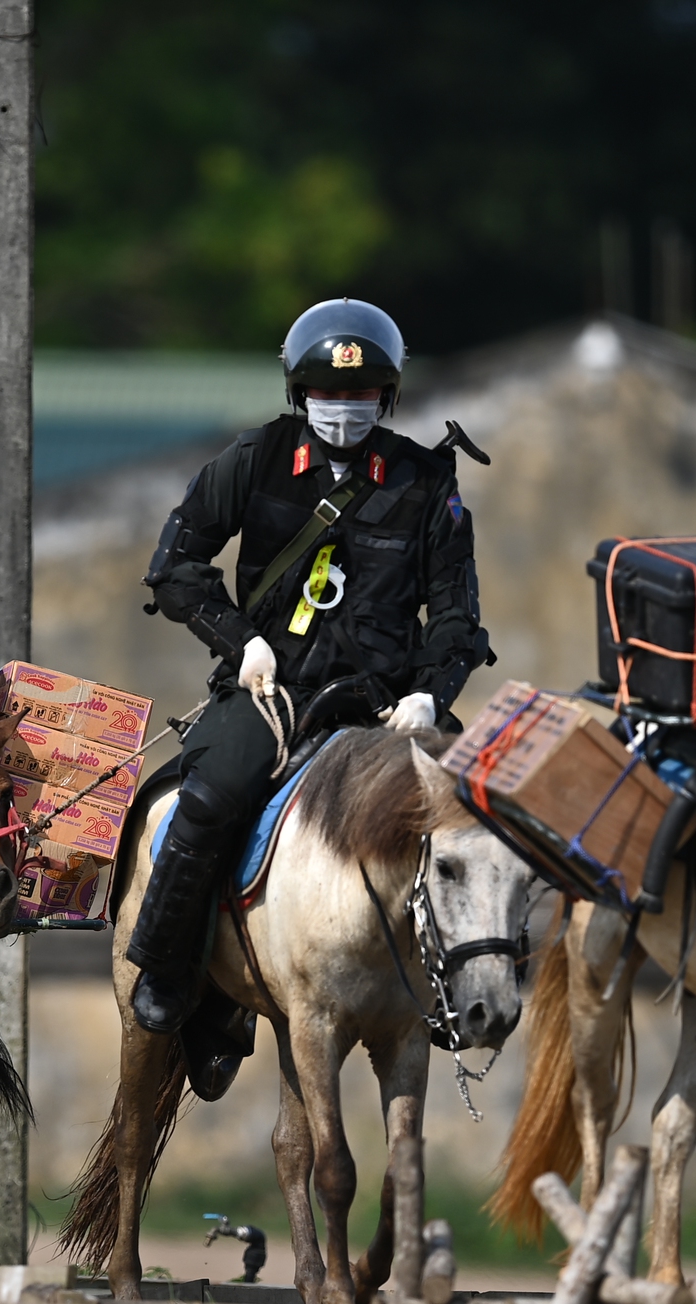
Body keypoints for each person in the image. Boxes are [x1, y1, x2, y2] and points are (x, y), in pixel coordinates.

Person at [127, 297, 493, 1034]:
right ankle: (172, 967)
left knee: (478, 820)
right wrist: (240, 642)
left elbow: (457, 616)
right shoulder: (254, 458)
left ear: (386, 395)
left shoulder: (427, 482)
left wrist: (431, 693)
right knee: (209, 798)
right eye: (327, 391)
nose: (343, 407)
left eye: (361, 393)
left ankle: (465, 987)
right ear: (300, 390)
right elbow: (175, 568)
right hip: (274, 691)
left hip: (389, 704)